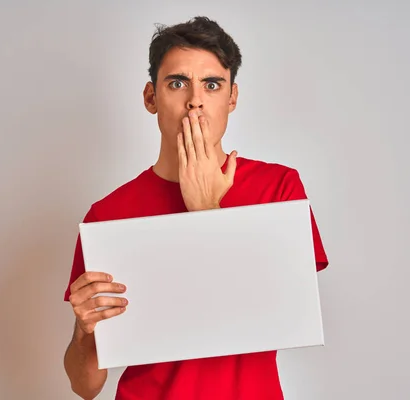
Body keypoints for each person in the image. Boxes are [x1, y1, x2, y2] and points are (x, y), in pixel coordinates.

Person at [63, 16, 329, 400]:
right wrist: (83, 330)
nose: (195, 100)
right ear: (151, 97)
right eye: (177, 83)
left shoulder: (279, 188)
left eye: (212, 84)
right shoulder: (107, 214)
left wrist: (207, 207)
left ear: (232, 97)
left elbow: (283, 318)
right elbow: (85, 386)